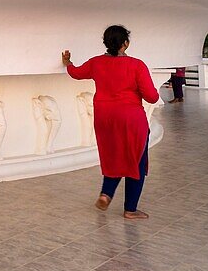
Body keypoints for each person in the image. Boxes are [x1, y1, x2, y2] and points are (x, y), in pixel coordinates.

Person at [63, 25, 159, 220]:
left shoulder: (97, 63)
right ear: (126, 43)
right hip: (131, 118)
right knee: (136, 160)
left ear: (106, 43)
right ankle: (130, 209)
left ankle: (106, 194)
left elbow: (76, 73)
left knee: (113, 155)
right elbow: (152, 97)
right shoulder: (136, 65)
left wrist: (68, 62)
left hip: (104, 117)